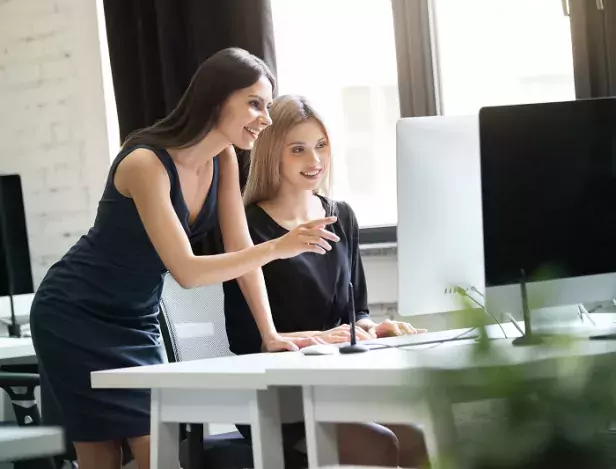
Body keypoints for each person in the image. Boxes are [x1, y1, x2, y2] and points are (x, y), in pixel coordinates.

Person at [29, 49, 339, 469]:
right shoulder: (145, 163)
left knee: (157, 453)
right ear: (215, 99)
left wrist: (269, 333)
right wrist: (279, 246)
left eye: (267, 105)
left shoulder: (225, 157)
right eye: (254, 103)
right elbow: (188, 272)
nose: (265, 118)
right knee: (102, 454)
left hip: (136, 318)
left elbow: (238, 247)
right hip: (74, 313)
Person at [223, 95, 429, 468]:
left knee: (417, 437)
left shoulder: (341, 216)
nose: (314, 161)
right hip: (275, 393)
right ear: (273, 155)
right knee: (380, 446)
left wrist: (374, 329)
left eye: (320, 146)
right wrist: (314, 338)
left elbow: (357, 311)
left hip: (333, 383)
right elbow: (243, 336)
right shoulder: (246, 227)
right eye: (298, 149)